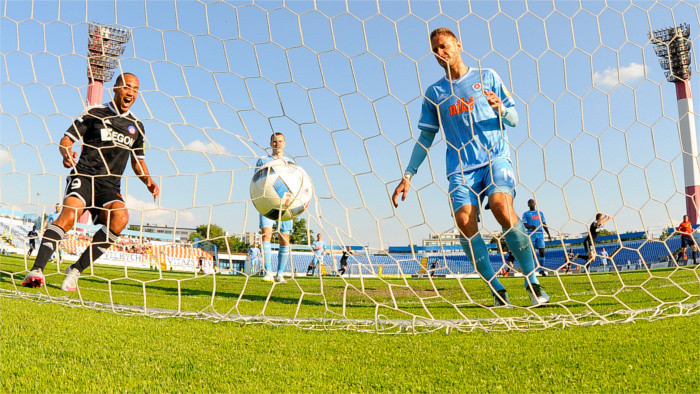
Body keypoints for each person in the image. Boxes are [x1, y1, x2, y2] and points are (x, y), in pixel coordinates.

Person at [391, 27, 549, 307]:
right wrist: (408, 174)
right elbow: (427, 136)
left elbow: (513, 119)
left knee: (501, 207)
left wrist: (500, 107)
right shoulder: (434, 93)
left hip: (495, 157)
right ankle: (496, 288)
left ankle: (532, 282)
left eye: (444, 46)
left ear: (458, 45)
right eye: (435, 50)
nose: (441, 53)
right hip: (461, 168)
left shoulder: (487, 76)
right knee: (464, 223)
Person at [22, 73, 160, 291]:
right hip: (85, 176)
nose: (131, 92)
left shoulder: (137, 127)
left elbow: (138, 161)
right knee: (69, 215)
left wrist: (148, 180)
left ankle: (75, 270)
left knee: (120, 218)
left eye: (135, 89)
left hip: (109, 186)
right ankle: (37, 270)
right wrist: (66, 153)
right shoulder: (94, 113)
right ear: (115, 89)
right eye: (126, 87)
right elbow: (67, 139)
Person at [256, 132, 293, 283]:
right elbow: (256, 182)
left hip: (286, 204)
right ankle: (268, 272)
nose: (277, 144)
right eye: (275, 141)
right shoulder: (262, 160)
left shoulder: (290, 163)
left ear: (284, 143)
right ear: (271, 144)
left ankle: (280, 274)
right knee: (267, 234)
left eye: (280, 141)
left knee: (284, 239)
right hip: (267, 202)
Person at [521, 199, 552, 276]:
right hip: (531, 234)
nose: (531, 204)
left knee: (542, 251)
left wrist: (548, 234)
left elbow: (544, 223)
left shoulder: (540, 213)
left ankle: (541, 269)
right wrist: (531, 226)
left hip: (540, 234)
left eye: (532, 202)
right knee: (531, 253)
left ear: (535, 203)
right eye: (529, 203)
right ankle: (531, 270)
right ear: (528, 205)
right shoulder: (526, 214)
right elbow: (525, 225)